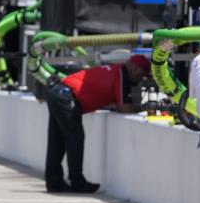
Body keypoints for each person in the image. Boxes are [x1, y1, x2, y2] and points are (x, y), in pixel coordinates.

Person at [44, 55, 151, 194]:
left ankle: (54, 182)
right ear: (135, 68)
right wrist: (143, 108)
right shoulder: (122, 74)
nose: (141, 79)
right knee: (75, 139)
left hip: (59, 91)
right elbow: (124, 107)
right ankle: (77, 182)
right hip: (67, 95)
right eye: (141, 74)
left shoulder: (116, 70)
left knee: (57, 140)